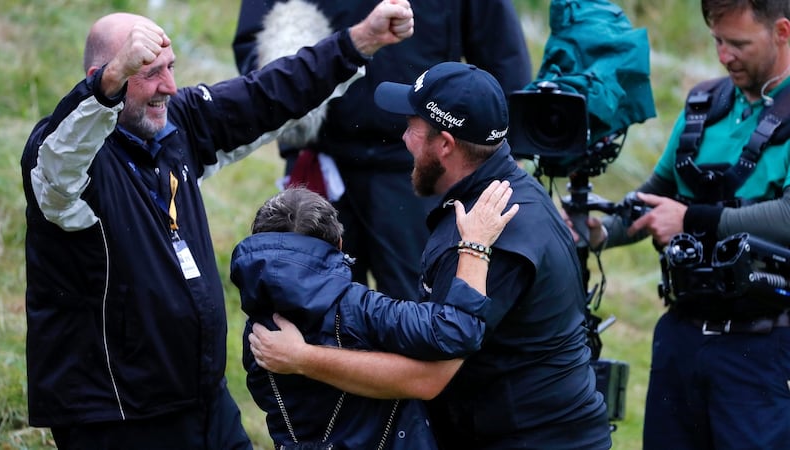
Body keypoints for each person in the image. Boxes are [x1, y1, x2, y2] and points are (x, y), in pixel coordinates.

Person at [19, 3, 414, 448]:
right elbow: (58, 157)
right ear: (103, 76)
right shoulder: (64, 163)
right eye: (148, 72)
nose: (168, 87)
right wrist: (107, 85)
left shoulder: (174, 125)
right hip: (118, 417)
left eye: (170, 68)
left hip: (203, 400)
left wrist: (360, 41)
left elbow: (268, 95)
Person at [248, 61, 612, 449]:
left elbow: (427, 378)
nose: (403, 139)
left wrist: (303, 358)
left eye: (411, 127)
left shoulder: (487, 237)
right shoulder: (509, 191)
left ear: (445, 144)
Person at [563, 1, 790, 448]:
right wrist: (600, 233)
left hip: (764, 347)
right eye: (717, 41)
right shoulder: (705, 104)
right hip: (680, 337)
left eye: (738, 43)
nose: (724, 56)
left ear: (783, 31)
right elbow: (656, 196)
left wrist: (691, 219)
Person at [232, 0, 532, 300]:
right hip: (322, 158)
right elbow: (256, 43)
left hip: (417, 166)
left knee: (417, 305)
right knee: (312, 300)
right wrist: (292, 97)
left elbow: (501, 52)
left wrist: (505, 154)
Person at [230, 182, 517, 449]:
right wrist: (475, 246)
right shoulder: (360, 308)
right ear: (340, 245)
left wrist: (303, 357)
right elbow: (457, 331)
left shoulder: (257, 332)